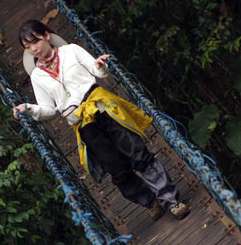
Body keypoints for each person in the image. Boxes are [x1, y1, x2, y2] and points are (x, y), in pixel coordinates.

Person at [12, 20, 189, 220]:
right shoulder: (37, 76)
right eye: (28, 47)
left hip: (103, 108)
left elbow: (96, 70)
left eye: (35, 41)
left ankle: (172, 201)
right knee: (117, 169)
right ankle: (149, 201)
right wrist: (28, 108)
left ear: (46, 36)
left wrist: (100, 66)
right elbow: (48, 109)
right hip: (83, 124)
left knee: (138, 154)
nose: (33, 48)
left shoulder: (71, 50)